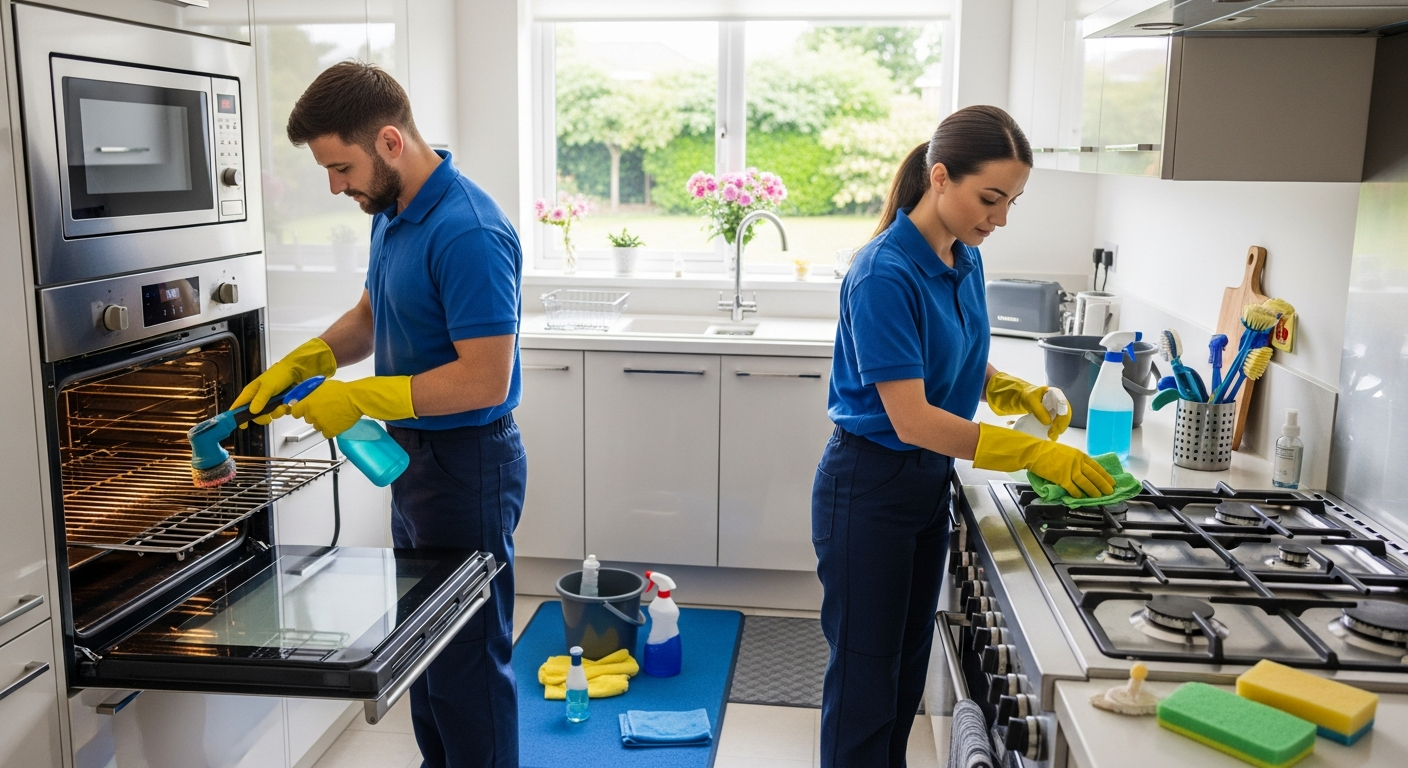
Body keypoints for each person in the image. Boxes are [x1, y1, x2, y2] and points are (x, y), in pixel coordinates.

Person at [235, 62, 525, 768]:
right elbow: (371, 316)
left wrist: (362, 396)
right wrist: (303, 363)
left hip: (467, 465)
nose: (336, 186)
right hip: (414, 460)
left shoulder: (469, 231)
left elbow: (487, 378)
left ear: (390, 141)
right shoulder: (393, 212)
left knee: (465, 662)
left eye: (341, 167)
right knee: (423, 650)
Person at [812, 105, 1114, 768]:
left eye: (1012, 202)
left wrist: (1010, 389)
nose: (999, 218)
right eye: (989, 198)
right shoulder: (883, 273)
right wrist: (1034, 450)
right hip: (869, 489)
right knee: (866, 687)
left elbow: (955, 354)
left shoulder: (962, 256)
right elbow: (911, 418)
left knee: (902, 679)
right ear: (940, 177)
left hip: (925, 484)